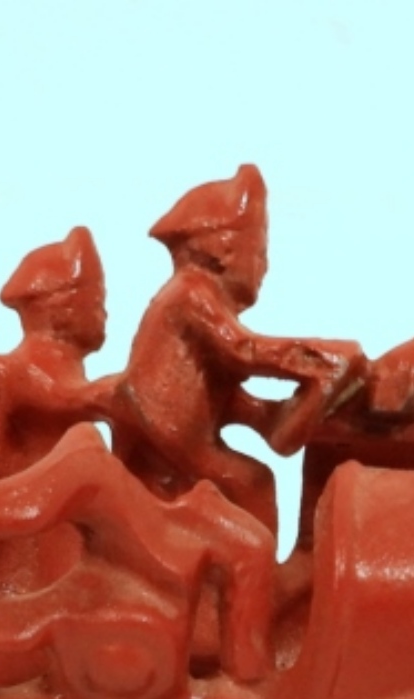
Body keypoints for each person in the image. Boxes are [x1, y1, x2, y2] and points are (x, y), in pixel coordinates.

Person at [117, 165, 365, 530]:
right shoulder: (191, 293)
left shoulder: (193, 294)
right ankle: (257, 563)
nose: (265, 267)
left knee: (253, 448)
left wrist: (263, 412)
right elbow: (243, 350)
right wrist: (321, 359)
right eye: (260, 253)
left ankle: (271, 423)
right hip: (165, 426)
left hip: (183, 423)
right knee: (252, 482)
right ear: (222, 250)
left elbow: (219, 382)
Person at [0, 226, 115, 476]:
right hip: (29, 483)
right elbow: (64, 399)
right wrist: (117, 392)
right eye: (97, 305)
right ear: (63, 313)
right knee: (90, 448)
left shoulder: (65, 365)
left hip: (58, 481)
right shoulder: (30, 364)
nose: (104, 315)